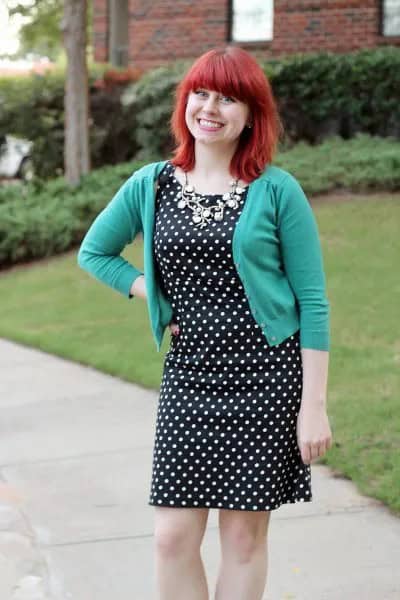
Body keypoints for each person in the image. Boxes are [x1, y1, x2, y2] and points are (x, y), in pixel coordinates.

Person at [77, 46, 332, 600]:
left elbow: (312, 302)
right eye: (201, 93)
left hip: (266, 379)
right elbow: (95, 253)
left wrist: (313, 406)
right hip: (189, 376)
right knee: (171, 538)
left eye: (228, 98)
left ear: (250, 114)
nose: (210, 108)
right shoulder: (152, 184)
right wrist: (152, 292)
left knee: (241, 539)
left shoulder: (277, 191)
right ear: (185, 102)